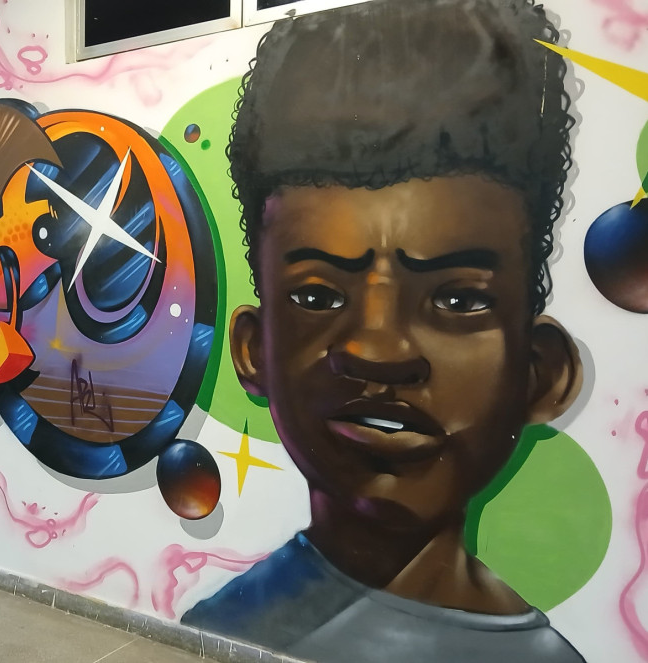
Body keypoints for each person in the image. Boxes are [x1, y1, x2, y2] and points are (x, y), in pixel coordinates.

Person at [181, 1, 587, 661]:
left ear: (540, 373)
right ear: (254, 351)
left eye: (457, 299)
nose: (378, 349)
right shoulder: (215, 629)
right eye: (317, 296)